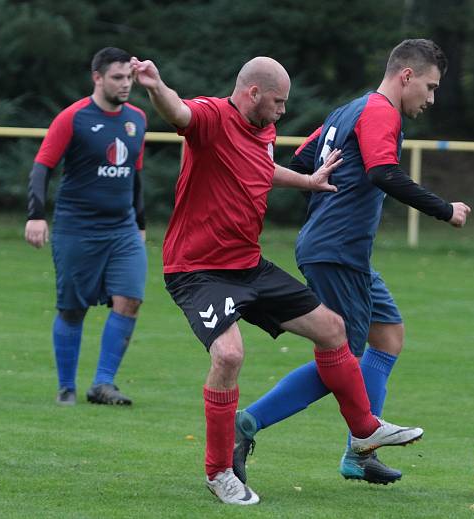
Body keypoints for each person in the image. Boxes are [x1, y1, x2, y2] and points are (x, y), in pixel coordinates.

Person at [129, 54, 424, 506]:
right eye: (278, 102)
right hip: (198, 270)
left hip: (249, 265)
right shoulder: (211, 117)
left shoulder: (261, 130)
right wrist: (154, 86)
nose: (283, 112)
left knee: (333, 329)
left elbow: (261, 169)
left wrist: (308, 181)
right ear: (253, 94)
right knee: (228, 355)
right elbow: (178, 112)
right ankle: (218, 471)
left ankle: (364, 431)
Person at [234, 39, 471, 485]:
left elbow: (305, 159)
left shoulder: (348, 111)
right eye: (430, 86)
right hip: (336, 250)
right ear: (406, 76)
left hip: (342, 250)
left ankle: (361, 455)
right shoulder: (382, 111)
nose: (432, 98)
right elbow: (382, 171)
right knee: (342, 357)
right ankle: (246, 424)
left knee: (388, 336)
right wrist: (445, 209)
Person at [24, 47, 148, 407]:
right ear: (97, 78)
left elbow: (135, 176)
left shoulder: (138, 119)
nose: (126, 84)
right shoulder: (73, 118)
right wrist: (35, 215)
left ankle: (103, 385)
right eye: (118, 78)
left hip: (123, 229)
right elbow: (42, 166)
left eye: (130, 77)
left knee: (130, 299)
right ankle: (66, 388)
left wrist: (140, 223)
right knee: (72, 309)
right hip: (76, 228)